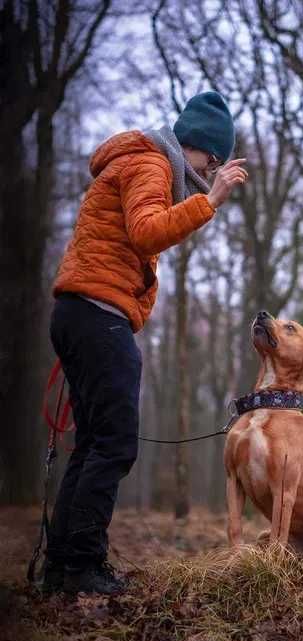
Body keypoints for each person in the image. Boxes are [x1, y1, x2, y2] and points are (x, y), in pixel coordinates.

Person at [43, 91, 247, 594]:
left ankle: (63, 568)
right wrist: (211, 200)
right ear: (198, 148)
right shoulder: (151, 164)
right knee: (113, 445)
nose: (208, 171)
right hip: (98, 316)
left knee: (93, 445)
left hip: (80, 313)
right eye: (211, 160)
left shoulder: (137, 160)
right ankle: (83, 568)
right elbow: (147, 232)